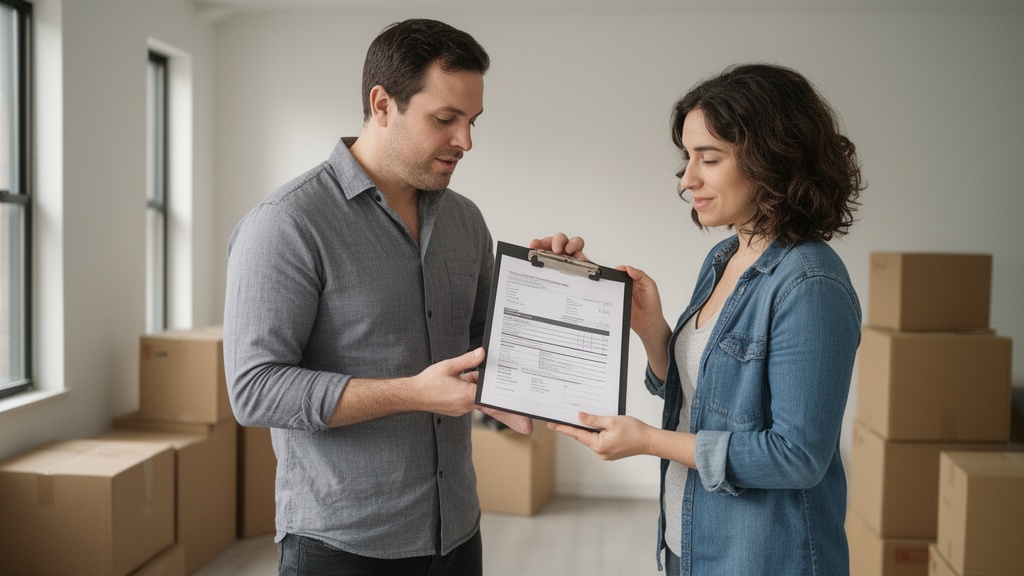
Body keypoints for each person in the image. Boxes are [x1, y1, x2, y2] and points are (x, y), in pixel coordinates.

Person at [223, 19, 551, 576]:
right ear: (382, 104)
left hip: (456, 533)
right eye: (445, 119)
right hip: (342, 547)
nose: (465, 142)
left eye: (471, 122)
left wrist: (548, 286)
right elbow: (254, 390)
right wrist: (411, 393)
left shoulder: (465, 220)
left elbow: (483, 345)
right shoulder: (287, 224)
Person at [541, 63, 864, 575]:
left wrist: (648, 441)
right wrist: (652, 329)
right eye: (688, 157)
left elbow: (797, 456)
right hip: (690, 542)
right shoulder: (724, 259)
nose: (687, 178)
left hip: (763, 558)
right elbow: (707, 397)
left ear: (771, 161)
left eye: (708, 159)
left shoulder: (810, 284)